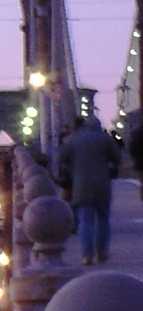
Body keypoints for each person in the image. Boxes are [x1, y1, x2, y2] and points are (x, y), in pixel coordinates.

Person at [59, 111, 122, 264]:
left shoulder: (75, 139)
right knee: (103, 219)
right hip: (102, 184)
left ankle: (87, 254)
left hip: (81, 184)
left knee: (85, 220)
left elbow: (63, 157)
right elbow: (117, 157)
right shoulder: (105, 139)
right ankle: (102, 252)